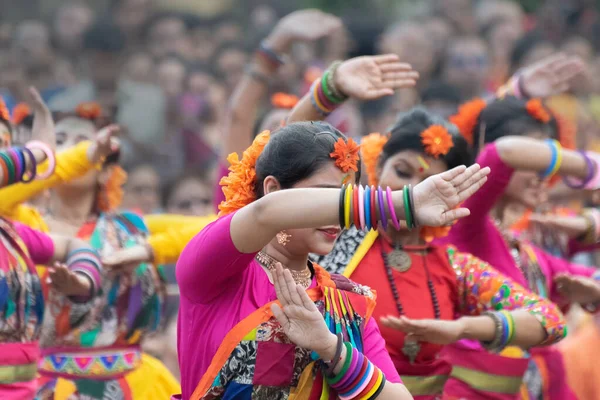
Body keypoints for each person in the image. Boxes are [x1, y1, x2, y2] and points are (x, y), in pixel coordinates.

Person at [175, 119, 489, 399]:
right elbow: (264, 213)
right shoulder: (215, 273)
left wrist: (329, 347)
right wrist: (399, 203)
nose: (337, 215)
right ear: (272, 189)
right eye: (327, 197)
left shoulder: (346, 301)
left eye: (345, 197)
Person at [294, 78, 567, 398]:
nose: (416, 190)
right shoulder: (336, 238)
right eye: (403, 172)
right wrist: (331, 86)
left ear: (451, 196)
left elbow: (550, 321)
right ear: (378, 167)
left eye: (431, 181)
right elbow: (289, 157)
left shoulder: (453, 266)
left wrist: (461, 329)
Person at [442, 94, 600, 399]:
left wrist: (593, 290)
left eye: (548, 164)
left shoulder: (527, 250)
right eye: (536, 159)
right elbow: (499, 154)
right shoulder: (464, 225)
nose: (546, 174)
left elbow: (584, 276)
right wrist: (589, 166)